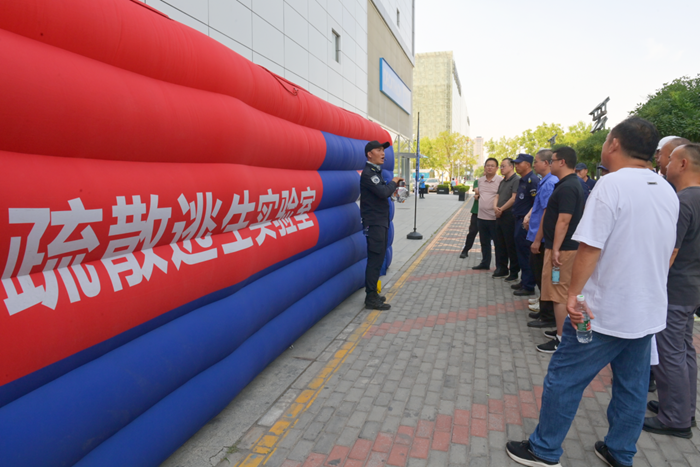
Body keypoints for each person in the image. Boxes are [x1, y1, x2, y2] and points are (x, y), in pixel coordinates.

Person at [506, 117, 679, 467]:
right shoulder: (665, 189)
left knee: (564, 377)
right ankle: (620, 452)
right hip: (646, 311)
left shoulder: (611, 184)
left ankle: (544, 449)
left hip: (601, 312)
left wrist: (573, 296)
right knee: (631, 387)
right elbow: (669, 250)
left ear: (613, 144)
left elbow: (590, 247)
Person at [646, 143, 700, 439]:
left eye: (669, 160)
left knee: (670, 353)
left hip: (675, 289)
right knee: (684, 350)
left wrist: (651, 284)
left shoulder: (683, 201)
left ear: (683, 164)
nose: (663, 164)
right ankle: (682, 407)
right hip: (691, 287)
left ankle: (675, 418)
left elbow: (671, 251)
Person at [531, 146, 584, 354]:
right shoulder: (565, 184)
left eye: (552, 160)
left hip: (563, 250)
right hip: (561, 248)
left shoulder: (569, 186)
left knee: (559, 293)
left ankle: (562, 340)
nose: (549, 164)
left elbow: (564, 220)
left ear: (562, 162)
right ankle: (561, 330)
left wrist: (555, 249)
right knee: (557, 290)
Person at [360, 141, 403, 311]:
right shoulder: (368, 174)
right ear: (370, 154)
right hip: (374, 223)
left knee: (378, 259)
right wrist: (393, 182)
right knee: (375, 260)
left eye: (383, 150)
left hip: (381, 222)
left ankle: (373, 294)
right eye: (378, 150)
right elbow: (383, 192)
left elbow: (382, 192)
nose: (383, 153)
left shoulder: (375, 172)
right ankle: (370, 298)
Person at [524, 150, 558, 329]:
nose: (534, 164)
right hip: (538, 235)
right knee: (540, 276)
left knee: (544, 277)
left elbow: (546, 212)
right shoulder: (545, 181)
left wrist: (537, 239)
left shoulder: (549, 183)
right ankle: (544, 310)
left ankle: (548, 315)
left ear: (546, 163)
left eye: (536, 161)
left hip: (542, 239)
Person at [511, 154, 538, 296]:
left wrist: (527, 219)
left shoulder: (532, 181)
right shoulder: (523, 180)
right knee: (520, 253)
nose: (516, 166)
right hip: (518, 220)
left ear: (527, 164)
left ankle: (529, 285)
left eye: (519, 163)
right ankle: (524, 281)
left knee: (526, 254)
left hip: (525, 222)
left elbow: (536, 204)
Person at [472, 158, 503, 271]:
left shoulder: (501, 181)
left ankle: (500, 266)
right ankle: (485, 263)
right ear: (484, 167)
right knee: (484, 243)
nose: (489, 167)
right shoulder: (480, 181)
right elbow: (480, 194)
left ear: (497, 168)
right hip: (481, 217)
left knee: (498, 244)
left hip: (494, 218)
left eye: (492, 165)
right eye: (487, 165)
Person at [494, 158, 520, 280]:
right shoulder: (503, 181)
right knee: (500, 244)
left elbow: (514, 198)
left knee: (510, 245)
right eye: (501, 166)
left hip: (509, 216)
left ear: (511, 167)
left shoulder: (516, 180)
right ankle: (502, 268)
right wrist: (495, 208)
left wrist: (501, 209)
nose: (501, 168)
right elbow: (497, 196)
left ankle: (514, 272)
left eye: (503, 166)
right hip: (500, 215)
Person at [459, 178, 479, 258]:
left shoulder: (497, 181)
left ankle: (486, 257)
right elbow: (477, 190)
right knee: (472, 232)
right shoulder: (478, 181)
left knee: (488, 236)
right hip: (476, 211)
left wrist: (480, 195)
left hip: (489, 214)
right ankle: (465, 250)